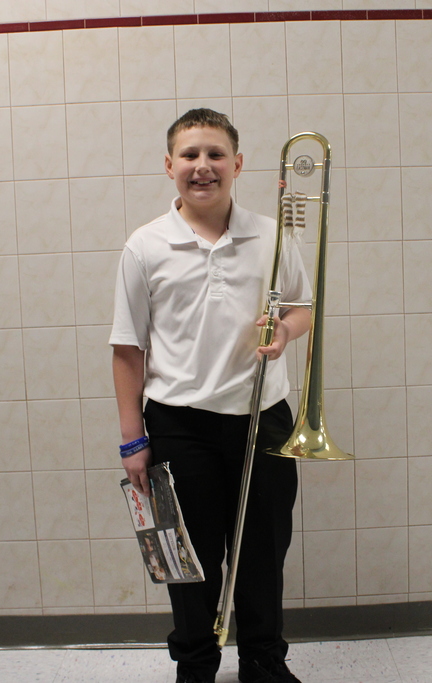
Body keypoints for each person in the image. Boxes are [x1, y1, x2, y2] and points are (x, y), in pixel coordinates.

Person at [110, 109, 311, 683]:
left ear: (238, 164)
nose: (203, 167)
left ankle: (263, 666)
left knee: (261, 557)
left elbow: (301, 308)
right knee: (188, 563)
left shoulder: (271, 235)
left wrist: (285, 332)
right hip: (179, 424)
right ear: (169, 165)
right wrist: (133, 440)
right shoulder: (145, 246)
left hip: (262, 418)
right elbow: (128, 351)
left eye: (216, 154)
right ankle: (196, 668)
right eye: (191, 155)